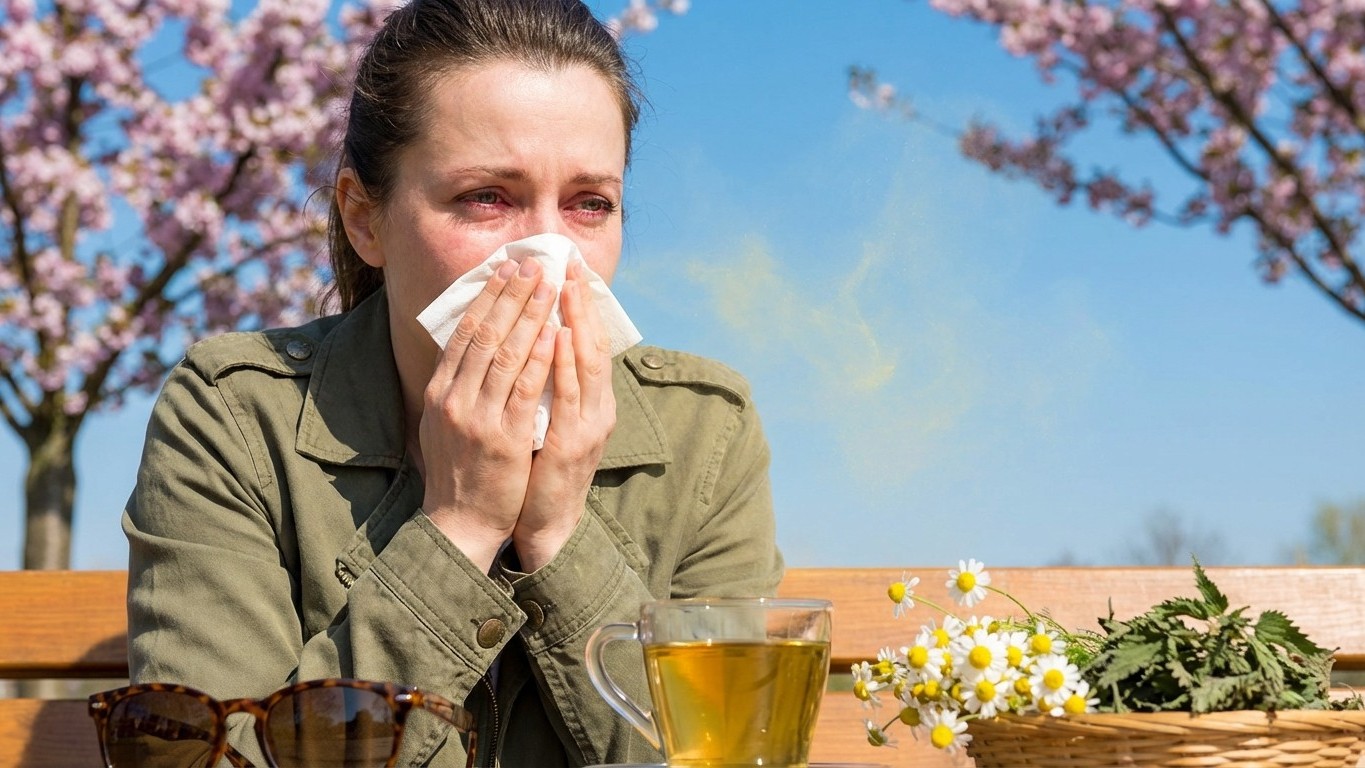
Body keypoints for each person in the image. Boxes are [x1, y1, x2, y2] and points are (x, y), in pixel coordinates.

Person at [122, 0, 783, 765]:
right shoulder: (235, 414)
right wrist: (460, 526)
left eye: (588, 204)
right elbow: (210, 757)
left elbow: (730, 750)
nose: (548, 256)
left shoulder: (706, 430)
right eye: (486, 198)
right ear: (365, 219)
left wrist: (559, 533)